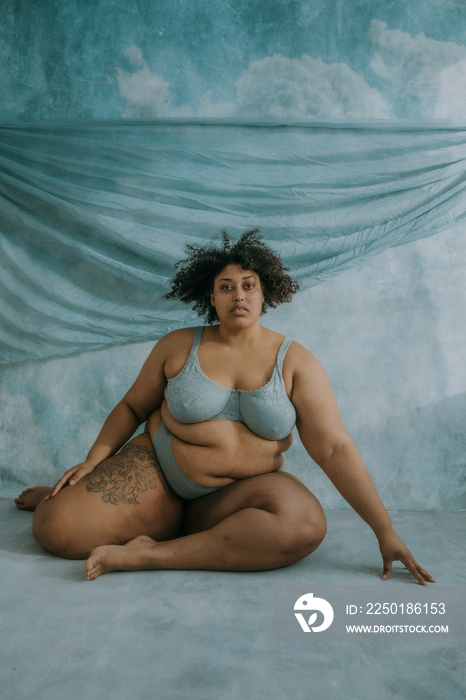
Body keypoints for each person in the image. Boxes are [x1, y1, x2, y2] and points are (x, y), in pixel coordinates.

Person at [15, 230, 435, 585]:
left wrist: (384, 530)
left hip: (235, 496)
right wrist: (94, 459)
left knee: (305, 525)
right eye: (226, 287)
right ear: (210, 297)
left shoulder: (295, 362)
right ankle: (63, 496)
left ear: (265, 291)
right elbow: (131, 406)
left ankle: (147, 553)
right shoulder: (179, 346)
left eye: (249, 284)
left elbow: (334, 448)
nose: (239, 295)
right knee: (54, 530)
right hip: (159, 475)